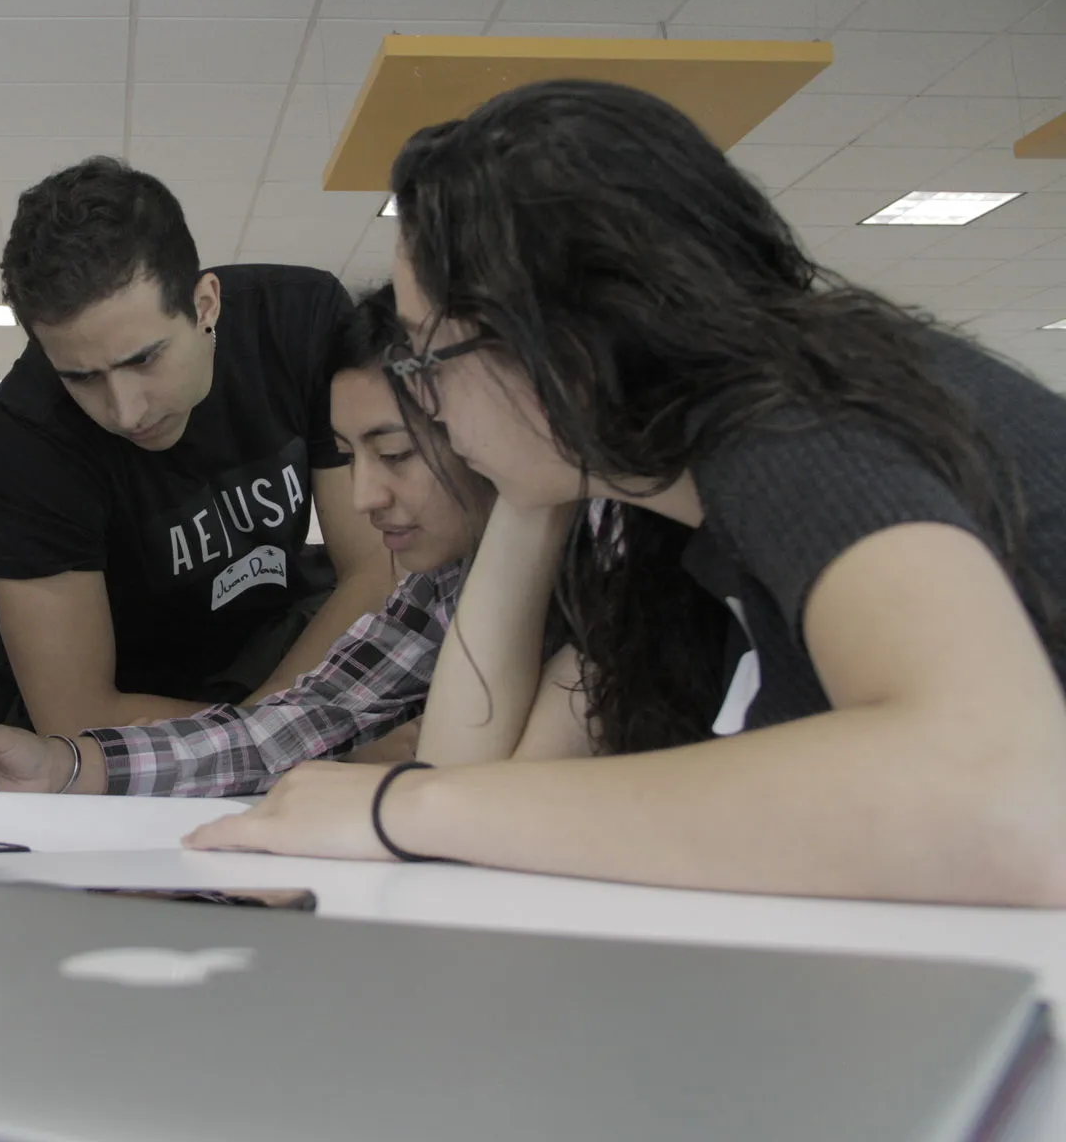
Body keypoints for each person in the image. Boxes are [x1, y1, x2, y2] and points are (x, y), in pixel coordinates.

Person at [188, 80, 1066, 908]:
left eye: (426, 361)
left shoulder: (794, 423)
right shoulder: (655, 507)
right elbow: (486, 772)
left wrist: (399, 814)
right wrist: (537, 483)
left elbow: (1002, 792)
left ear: (553, 346)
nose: (431, 412)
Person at [0, 285, 495, 794]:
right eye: (348, 457)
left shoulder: (295, 318)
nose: (364, 497)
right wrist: (65, 765)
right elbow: (287, 730)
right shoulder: (435, 594)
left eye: (396, 454)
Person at [0, 157, 395, 739]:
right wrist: (279, 741)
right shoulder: (30, 430)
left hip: (282, 656)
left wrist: (273, 732)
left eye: (144, 359)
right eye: (81, 378)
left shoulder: (300, 319)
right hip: (139, 710)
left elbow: (377, 567)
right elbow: (74, 715)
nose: (126, 412)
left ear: (205, 305)